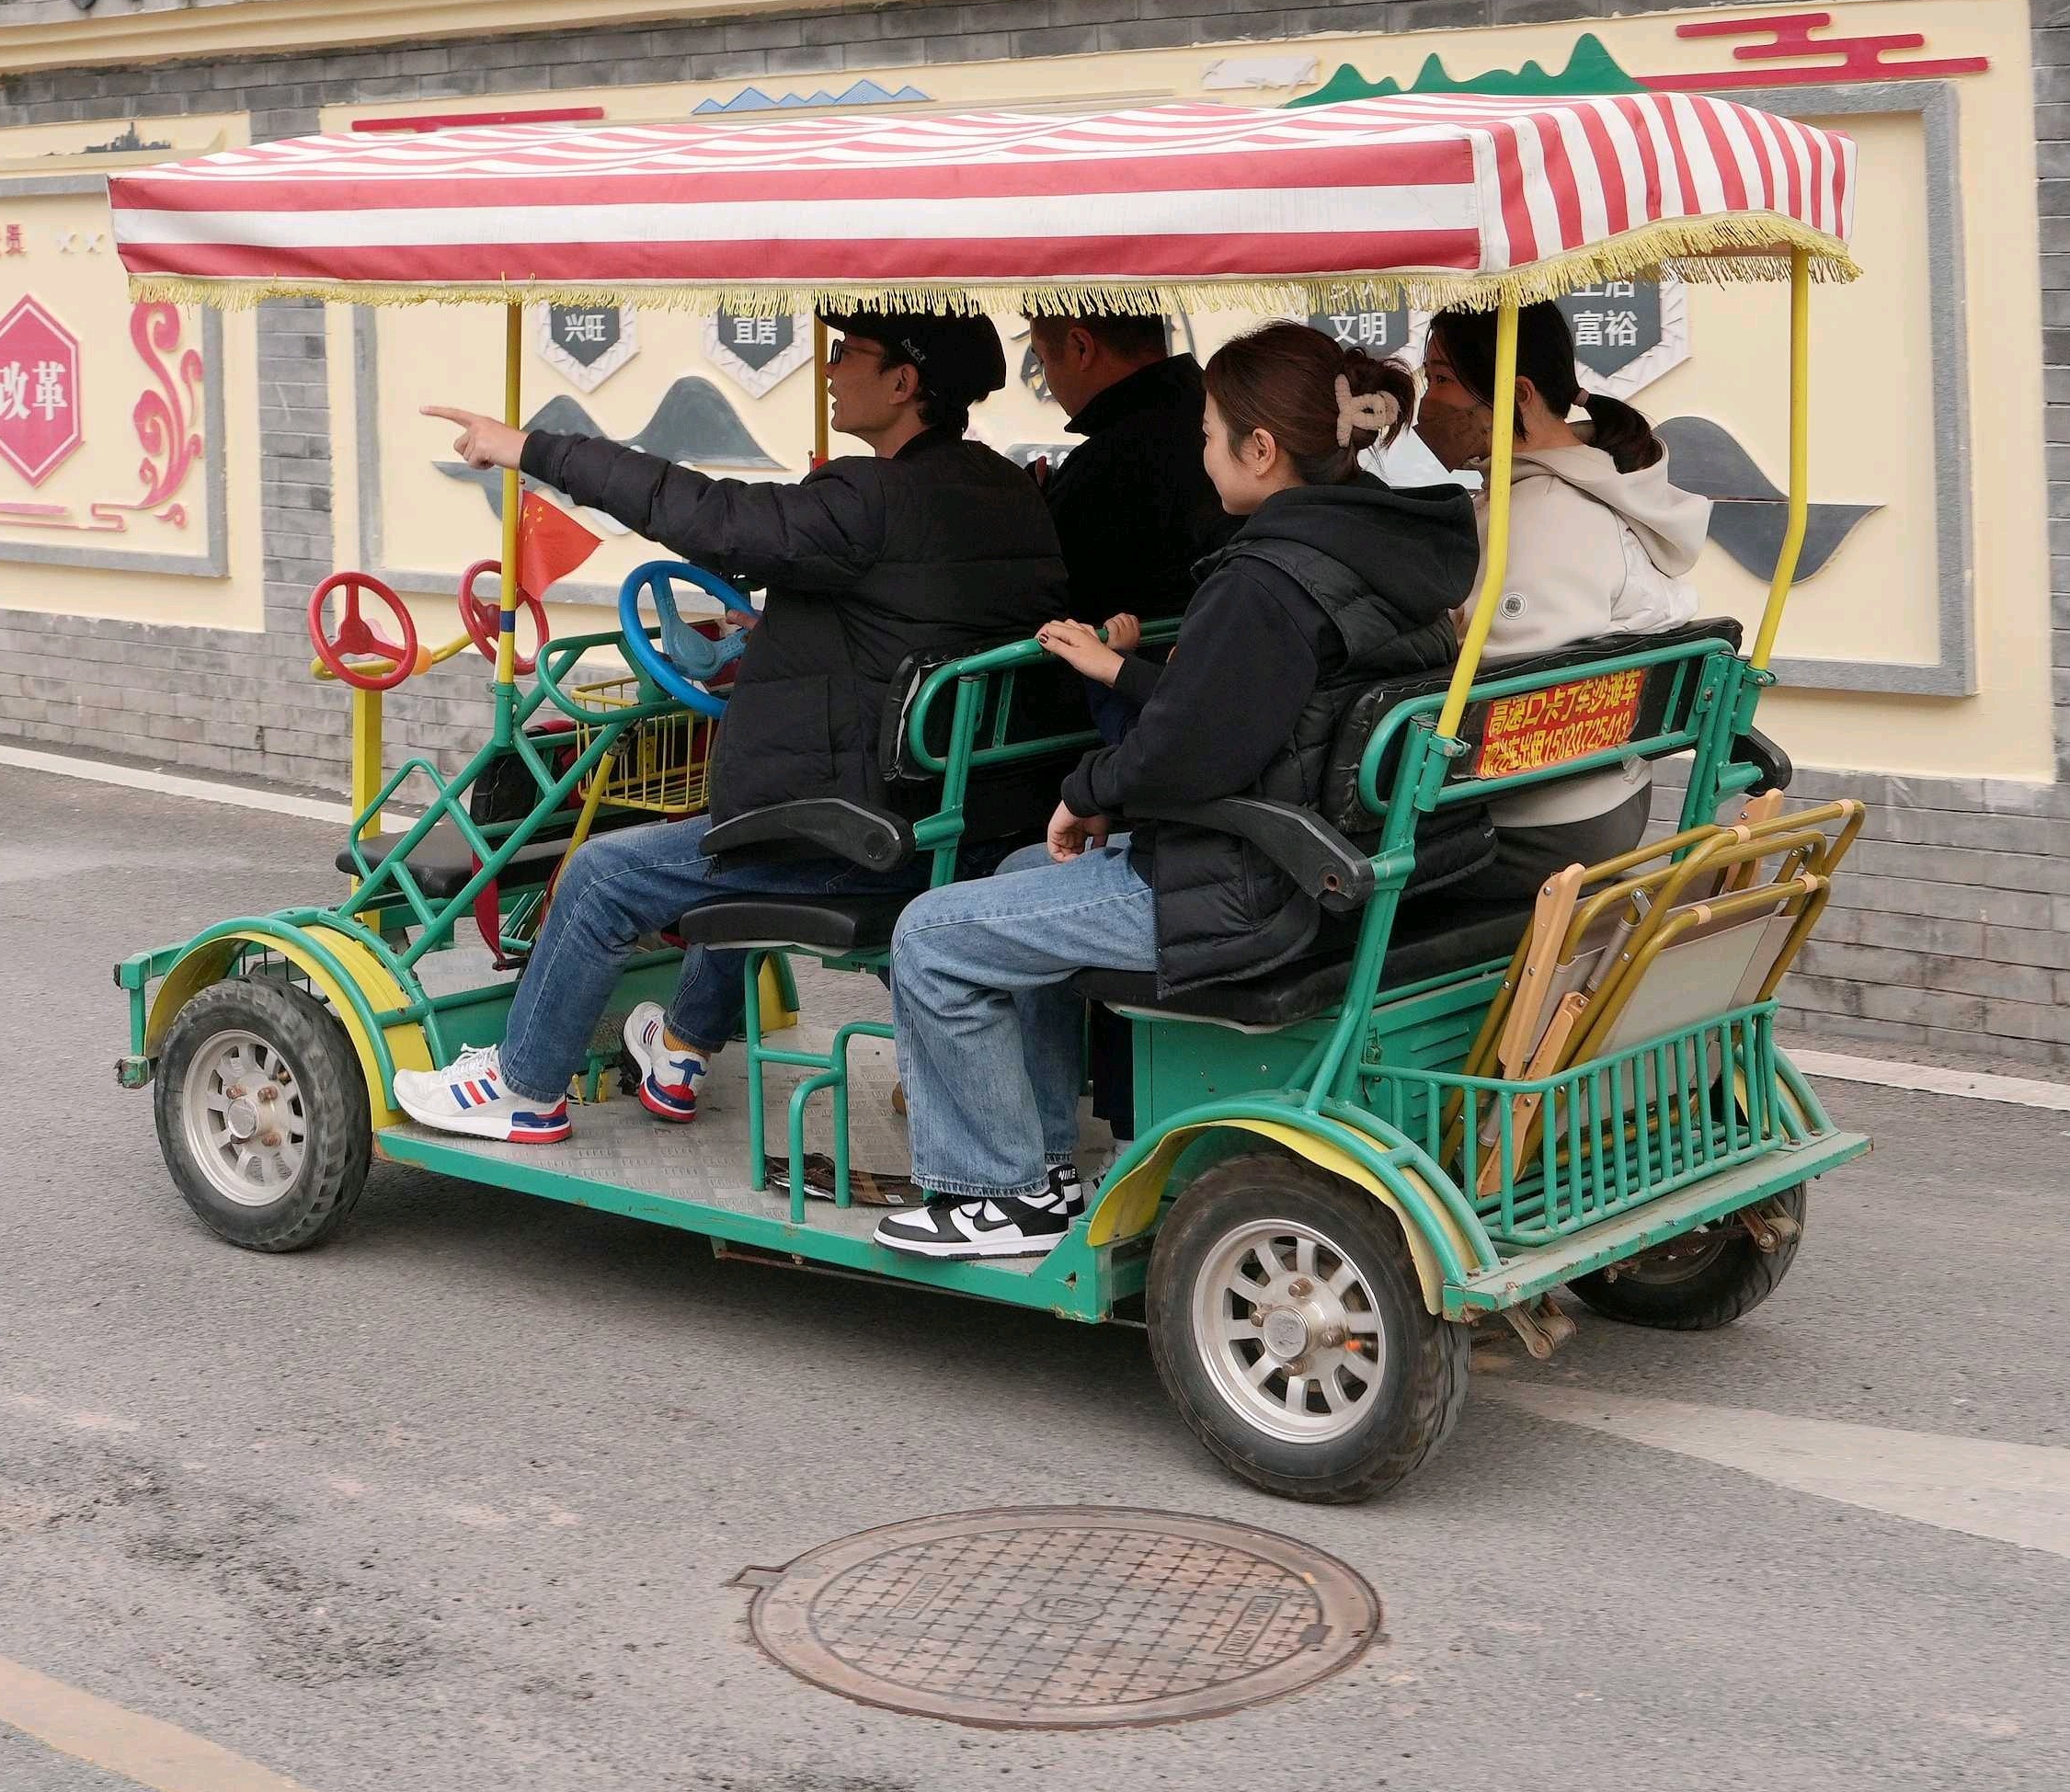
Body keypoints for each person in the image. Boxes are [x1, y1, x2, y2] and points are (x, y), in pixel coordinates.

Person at [870, 324, 1479, 1259]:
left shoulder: (1265, 579)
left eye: (1207, 433)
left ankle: (993, 1192)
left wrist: (1089, 786)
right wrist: (1125, 678)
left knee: (932, 932)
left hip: (1244, 885)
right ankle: (1036, 1167)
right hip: (1337, 863)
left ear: (1262, 448)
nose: (1200, 453)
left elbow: (1191, 754)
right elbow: (1250, 710)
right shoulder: (1390, 550)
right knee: (1021, 879)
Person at [393, 309, 1068, 1143]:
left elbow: (710, 515)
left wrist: (534, 449)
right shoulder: (1001, 491)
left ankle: (524, 1086)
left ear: (905, 384)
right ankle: (678, 1054)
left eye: (847, 355)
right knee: (724, 839)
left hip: (868, 837)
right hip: (964, 819)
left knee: (609, 872)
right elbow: (906, 614)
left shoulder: (871, 498)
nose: (829, 371)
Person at [1414, 304, 1709, 889]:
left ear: (1518, 393)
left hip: (1538, 824)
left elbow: (1506, 707)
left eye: (1442, 379)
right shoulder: (1601, 486)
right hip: (1611, 798)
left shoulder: (1543, 516)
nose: (1428, 402)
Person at [1024, 312, 1235, 738]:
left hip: (1143, 715)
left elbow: (1050, 598)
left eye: (1045, 360)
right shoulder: (1204, 411)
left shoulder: (1109, 461)